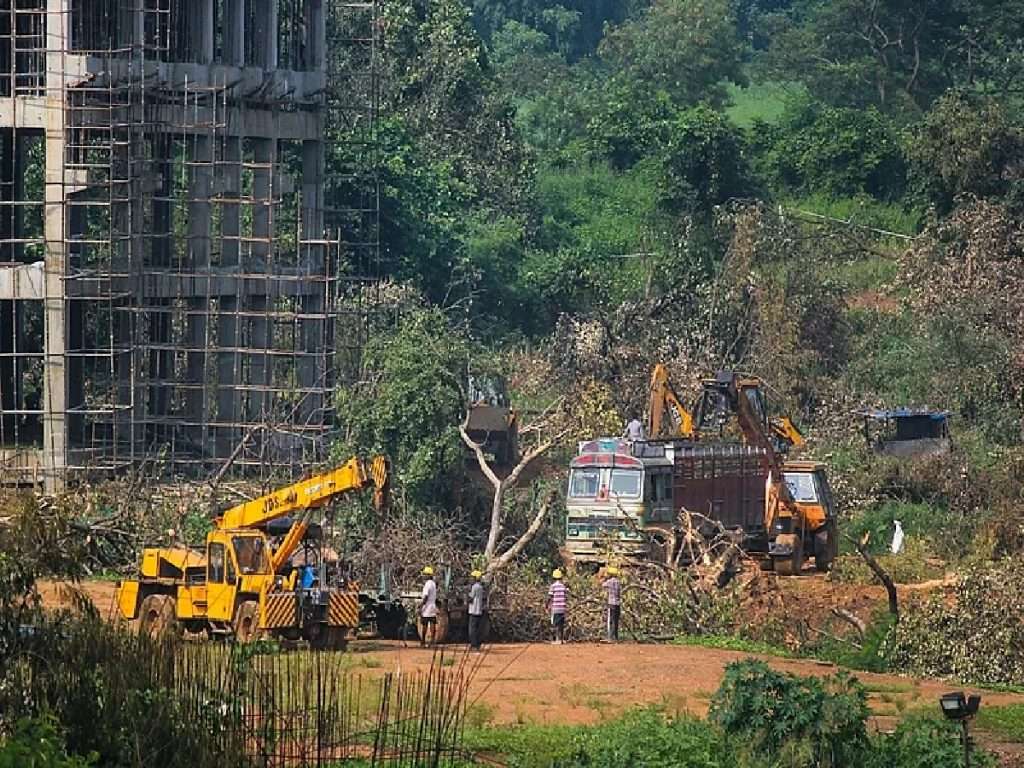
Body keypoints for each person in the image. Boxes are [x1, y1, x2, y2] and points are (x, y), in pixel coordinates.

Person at [547, 569, 568, 644]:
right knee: (561, 625)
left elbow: (549, 597)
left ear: (553, 577)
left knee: (555, 624)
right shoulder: (563, 586)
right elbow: (566, 597)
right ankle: (561, 639)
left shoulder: (553, 586)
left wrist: (546, 605)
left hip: (555, 608)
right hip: (562, 608)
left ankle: (557, 640)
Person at [419, 566, 438, 647]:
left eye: (425, 574)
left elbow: (426, 596)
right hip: (433, 606)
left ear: (428, 575)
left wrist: (421, 605)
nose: (423, 576)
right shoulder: (433, 583)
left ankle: (423, 641)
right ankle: (433, 641)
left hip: (427, 606)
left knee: (425, 624)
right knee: (433, 623)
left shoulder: (427, 584)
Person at [467, 570, 486, 652]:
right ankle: (477, 645)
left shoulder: (474, 587)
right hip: (479, 610)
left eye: (472, 577)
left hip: (473, 610)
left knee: (472, 629)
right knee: (478, 629)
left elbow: (471, 598)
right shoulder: (481, 587)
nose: (471, 579)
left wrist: (467, 598)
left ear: (475, 578)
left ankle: (474, 645)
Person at [602, 566, 622, 642]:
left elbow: (602, 585)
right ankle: (616, 638)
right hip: (617, 603)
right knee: (616, 621)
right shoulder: (618, 582)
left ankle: (610, 638)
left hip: (611, 603)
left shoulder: (609, 581)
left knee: (610, 621)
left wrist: (605, 578)